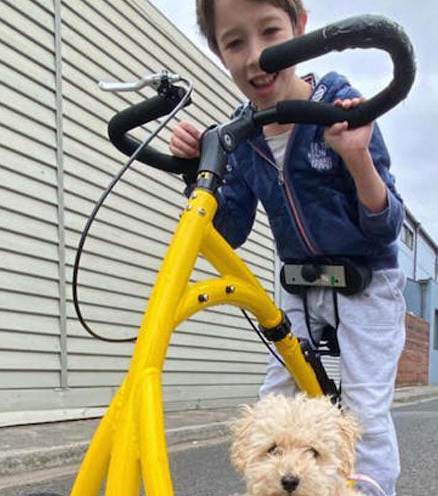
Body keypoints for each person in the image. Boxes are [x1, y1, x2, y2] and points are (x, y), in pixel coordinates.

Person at [169, 1, 407, 495]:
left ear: (300, 28)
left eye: (270, 32)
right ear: (217, 51)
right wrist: (198, 172)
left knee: (363, 408)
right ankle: (275, 485)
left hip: (365, 279)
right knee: (275, 394)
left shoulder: (340, 106)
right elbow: (230, 228)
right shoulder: (240, 133)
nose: (256, 57)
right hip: (300, 283)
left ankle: (367, 489)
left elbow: (384, 225)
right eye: (235, 42)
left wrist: (357, 157)